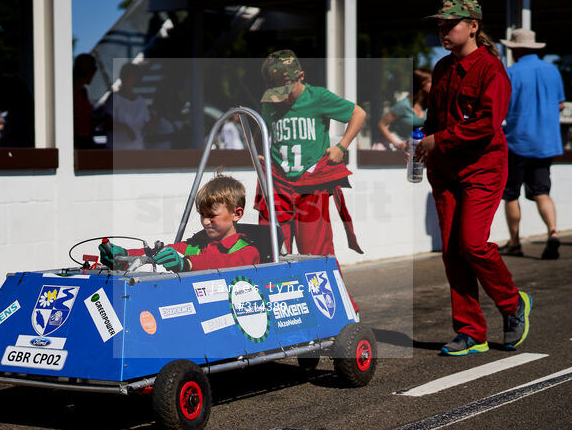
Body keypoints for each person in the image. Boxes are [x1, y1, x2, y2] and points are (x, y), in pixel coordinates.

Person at [413, 0, 531, 356]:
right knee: (451, 252)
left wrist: (438, 140)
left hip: (482, 168)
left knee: (473, 244)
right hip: (445, 171)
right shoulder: (442, 68)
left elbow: (486, 124)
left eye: (451, 24)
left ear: (474, 26)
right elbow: (433, 119)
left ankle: (512, 304)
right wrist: (421, 141)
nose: (443, 31)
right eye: (440, 26)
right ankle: (470, 331)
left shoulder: (491, 69)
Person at [253, 49, 366, 260]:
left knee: (315, 252)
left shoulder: (318, 97)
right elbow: (260, 131)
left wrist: (341, 146)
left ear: (301, 76)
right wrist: (260, 154)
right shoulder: (270, 104)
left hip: (311, 183)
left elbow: (358, 113)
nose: (283, 97)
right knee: (272, 249)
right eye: (278, 91)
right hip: (279, 184)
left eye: (287, 90)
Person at [498, 28, 566, 260]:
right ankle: (553, 232)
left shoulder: (511, 73)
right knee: (541, 191)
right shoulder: (552, 71)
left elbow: (502, 109)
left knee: (510, 194)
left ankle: (515, 242)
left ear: (515, 50)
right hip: (545, 143)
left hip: (517, 141)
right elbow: (560, 105)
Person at [100, 174, 261, 271]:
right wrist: (125, 255)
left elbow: (226, 264)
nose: (205, 222)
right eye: (202, 215)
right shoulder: (197, 244)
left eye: (212, 216)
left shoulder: (248, 252)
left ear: (236, 214)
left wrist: (187, 264)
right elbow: (164, 252)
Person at [376, 69, 431, 151]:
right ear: (421, 84)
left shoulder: (427, 107)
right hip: (393, 148)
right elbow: (381, 125)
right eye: (430, 82)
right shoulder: (404, 105)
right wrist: (397, 143)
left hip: (411, 146)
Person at [110, 62, 150, 150]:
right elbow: (106, 123)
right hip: (118, 150)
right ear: (122, 77)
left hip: (137, 148)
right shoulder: (114, 98)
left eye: (133, 76)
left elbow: (146, 124)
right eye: (127, 76)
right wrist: (124, 127)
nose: (130, 79)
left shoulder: (141, 101)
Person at [73, 53, 97, 149]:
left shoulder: (83, 91)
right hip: (76, 141)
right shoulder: (71, 92)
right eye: (93, 71)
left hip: (85, 140)